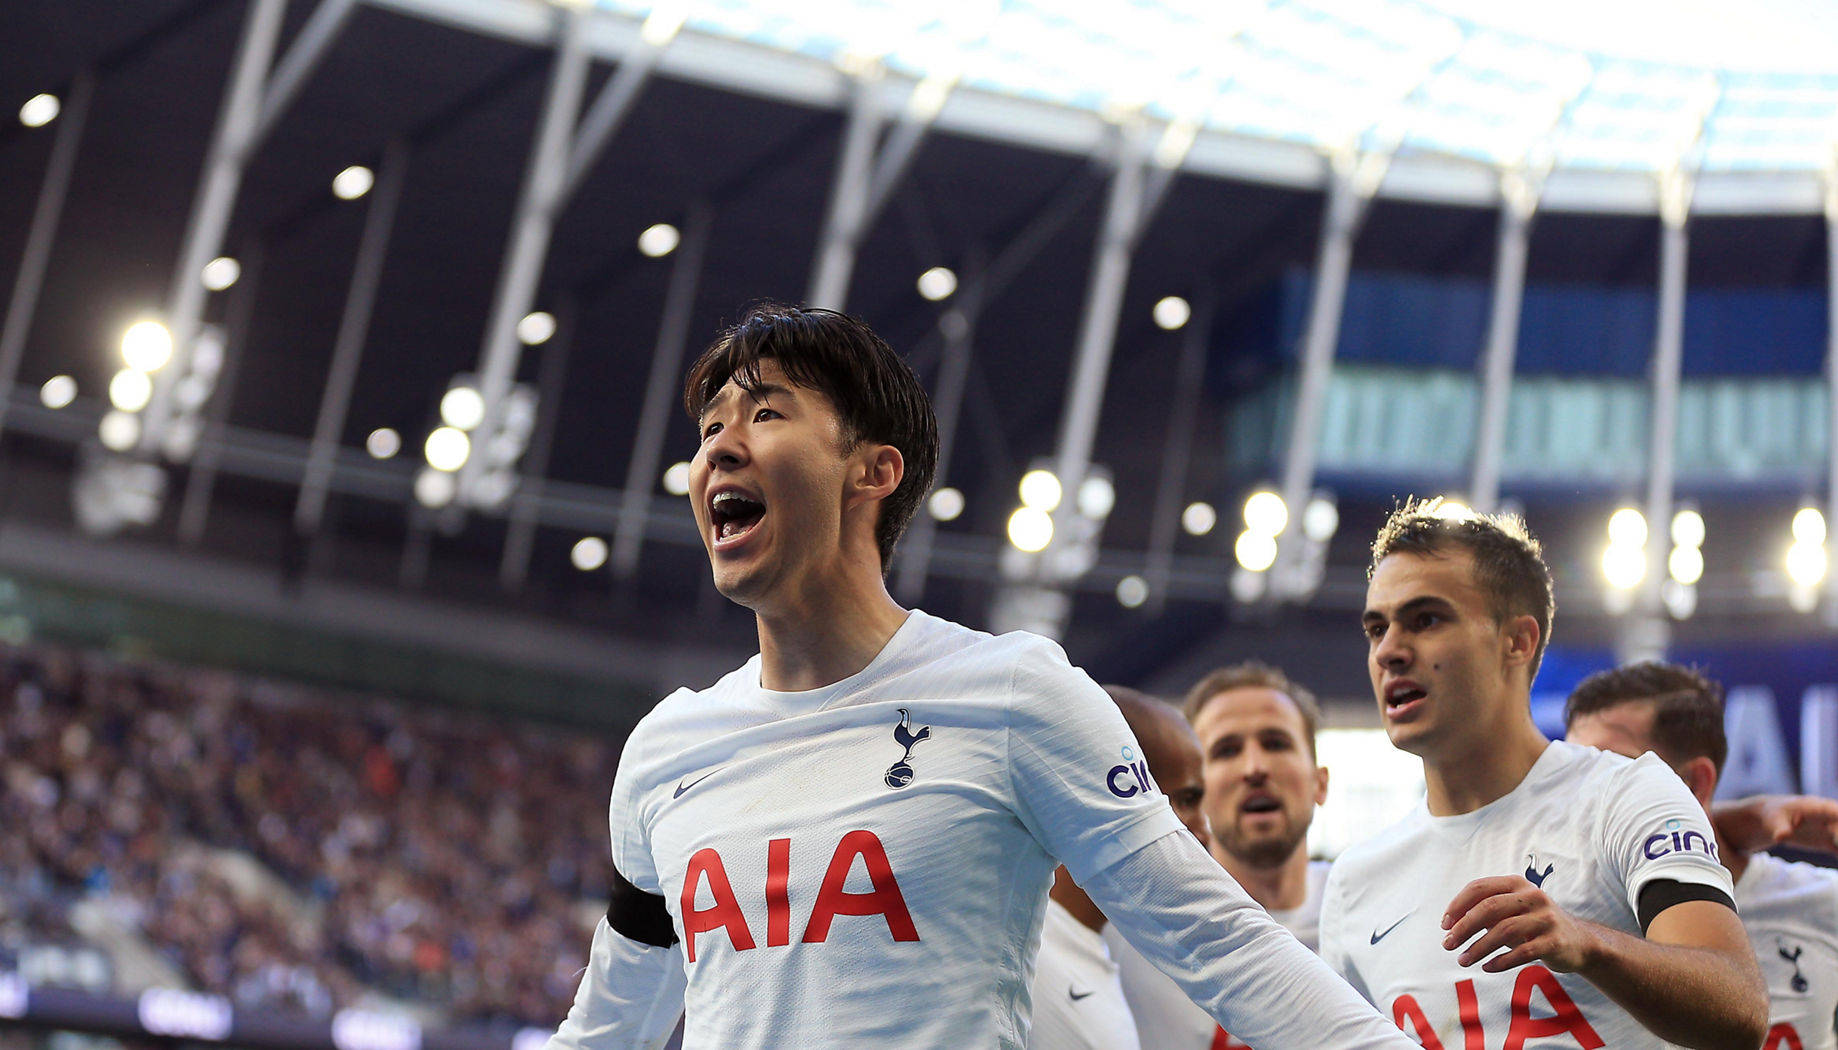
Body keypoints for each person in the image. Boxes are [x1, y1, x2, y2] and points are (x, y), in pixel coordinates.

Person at [544, 304, 1417, 1050]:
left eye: (765, 414)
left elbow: (1217, 939)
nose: (720, 451)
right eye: (708, 432)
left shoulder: (1011, 694)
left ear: (873, 470)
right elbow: (612, 1022)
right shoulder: (666, 750)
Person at [1318, 498, 1768, 1050]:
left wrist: (1588, 944)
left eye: (1425, 620)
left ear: (1518, 641)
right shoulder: (1354, 882)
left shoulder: (1627, 795)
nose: (1389, 651)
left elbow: (1740, 1006)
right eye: (1376, 628)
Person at [1565, 661, 1838, 1050]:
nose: (1587, 793)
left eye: (1616, 769)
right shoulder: (1569, 915)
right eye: (1576, 769)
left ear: (1695, 783)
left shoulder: (1817, 901)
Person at [1101, 663, 1333, 1050]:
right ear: (1194, 786)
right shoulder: (1131, 925)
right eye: (1226, 750)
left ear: (1319, 783)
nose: (1254, 768)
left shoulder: (1370, 909)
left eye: (1276, 743)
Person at [1026, 685, 1210, 1050]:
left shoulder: (1083, 949)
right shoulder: (1024, 959)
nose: (1203, 830)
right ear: (1121, 795)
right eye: (1188, 799)